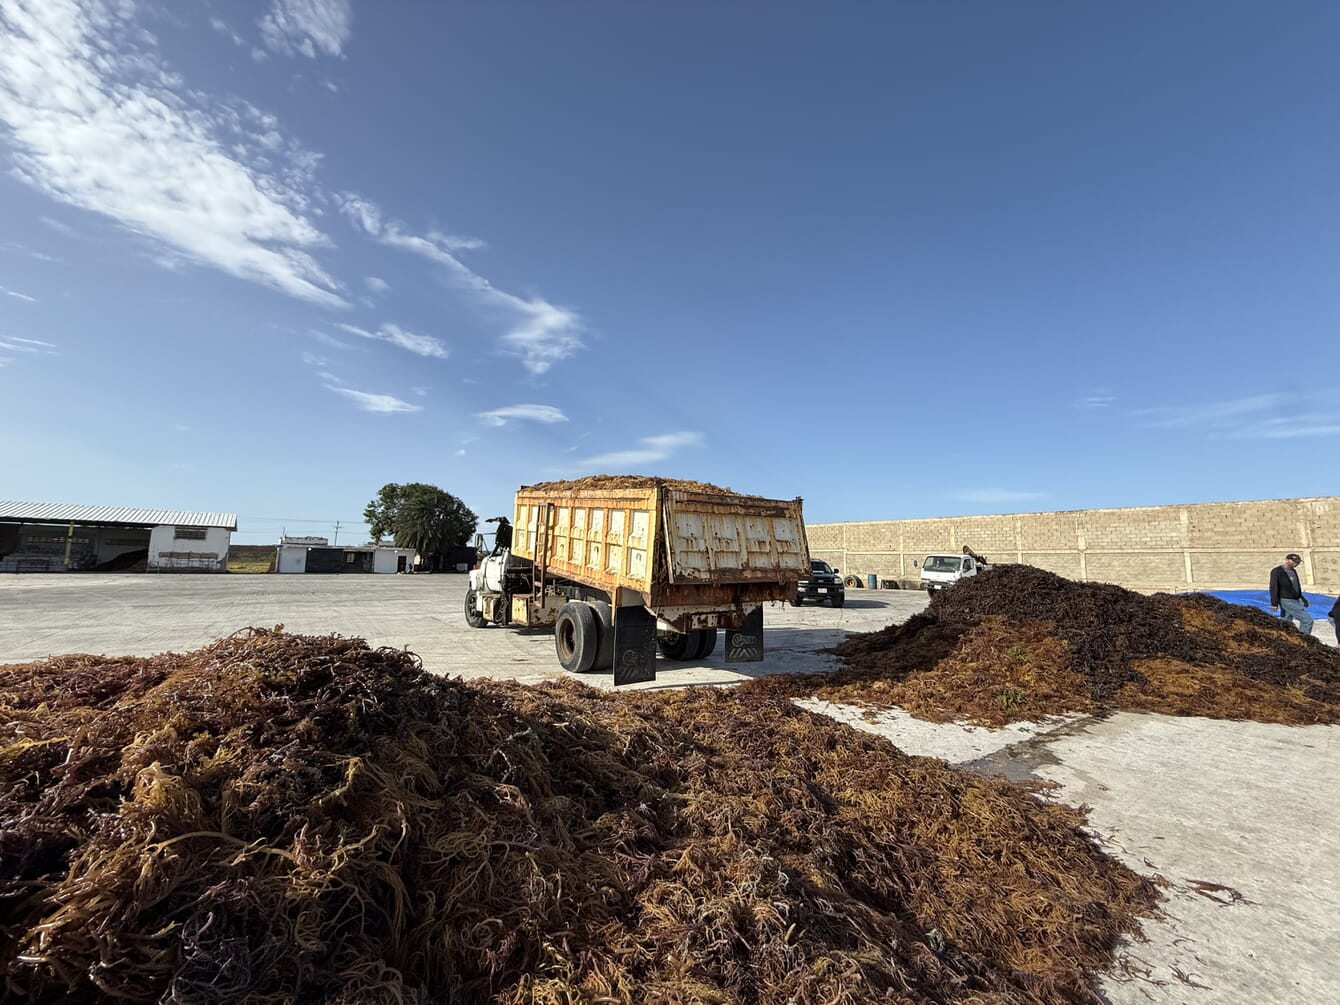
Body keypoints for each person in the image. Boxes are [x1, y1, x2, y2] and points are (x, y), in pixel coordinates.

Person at [1269, 553, 1313, 635]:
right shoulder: (1277, 571)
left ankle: (1283, 639)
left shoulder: (1293, 571)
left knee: (1286, 623)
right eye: (1294, 561)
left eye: (1297, 562)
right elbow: (1274, 587)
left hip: (1294, 599)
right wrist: (1274, 603)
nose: (1296, 564)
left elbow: (1295, 587)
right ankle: (1304, 640)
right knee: (1307, 621)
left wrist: (1303, 599)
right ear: (1287, 560)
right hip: (1286, 600)